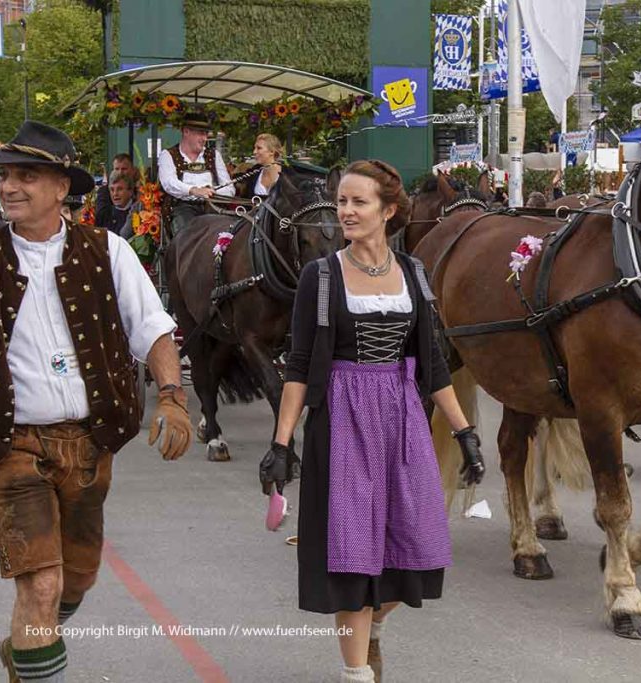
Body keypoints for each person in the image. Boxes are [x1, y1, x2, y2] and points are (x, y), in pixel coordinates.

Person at [0, 120, 193, 682]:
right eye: (5, 176)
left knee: (75, 581)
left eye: (26, 176)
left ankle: (26, 647)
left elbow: (154, 330)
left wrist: (171, 395)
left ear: (62, 187)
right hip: (9, 445)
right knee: (41, 584)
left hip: (90, 443)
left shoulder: (108, 251)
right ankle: (36, 648)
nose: (9, 186)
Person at [267, 159, 484, 683]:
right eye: (342, 201)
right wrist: (281, 443)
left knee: (416, 548)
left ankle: (373, 627)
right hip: (342, 420)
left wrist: (465, 432)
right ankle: (357, 672)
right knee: (351, 554)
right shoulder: (320, 276)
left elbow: (431, 362)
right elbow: (299, 365)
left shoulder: (412, 273)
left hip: (404, 418)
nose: (346, 211)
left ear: (388, 211)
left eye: (358, 202)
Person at [157, 112, 234, 236]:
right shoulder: (168, 155)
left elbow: (229, 189)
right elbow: (169, 183)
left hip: (213, 207)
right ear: (186, 132)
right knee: (187, 237)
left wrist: (212, 191)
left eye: (205, 134)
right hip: (183, 208)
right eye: (200, 133)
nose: (204, 138)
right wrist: (193, 190)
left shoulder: (214, 155)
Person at [94, 152, 138, 220]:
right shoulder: (104, 192)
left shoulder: (140, 190)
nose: (120, 172)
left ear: (132, 170)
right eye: (117, 169)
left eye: (124, 169)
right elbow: (101, 216)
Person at [249, 133, 283, 198]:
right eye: (254, 148)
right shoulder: (253, 174)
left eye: (259, 148)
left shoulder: (287, 175)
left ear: (272, 151)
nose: (254, 152)